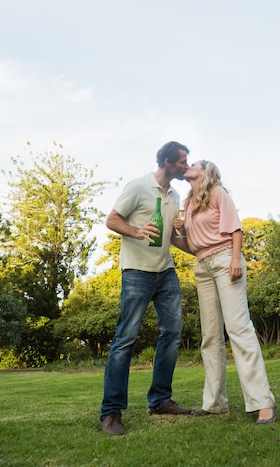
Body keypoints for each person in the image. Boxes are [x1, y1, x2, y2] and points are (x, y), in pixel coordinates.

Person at [100, 141, 192, 436]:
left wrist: (202, 249)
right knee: (125, 338)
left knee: (173, 333)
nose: (185, 166)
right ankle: (111, 412)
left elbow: (172, 239)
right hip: (137, 272)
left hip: (165, 272)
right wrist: (137, 231)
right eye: (181, 162)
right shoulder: (138, 187)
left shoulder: (175, 195)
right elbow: (111, 220)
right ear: (167, 162)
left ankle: (160, 400)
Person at [178, 160, 276, 425]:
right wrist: (175, 233)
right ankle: (214, 404)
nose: (189, 164)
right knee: (210, 335)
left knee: (238, 328)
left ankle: (263, 402)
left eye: (196, 163)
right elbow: (191, 245)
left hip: (225, 260)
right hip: (202, 265)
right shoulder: (188, 204)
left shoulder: (218, 193)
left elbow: (235, 228)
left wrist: (235, 259)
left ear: (206, 171)